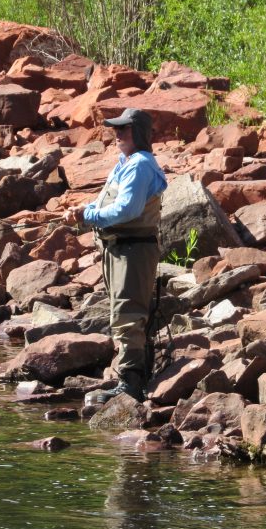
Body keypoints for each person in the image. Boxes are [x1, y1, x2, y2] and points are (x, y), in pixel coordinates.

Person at [63, 108, 168, 405]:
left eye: (124, 129)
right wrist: (84, 209)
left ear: (140, 133)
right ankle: (137, 374)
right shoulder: (126, 163)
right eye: (116, 129)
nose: (117, 133)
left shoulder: (141, 166)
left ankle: (131, 384)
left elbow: (127, 210)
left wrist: (88, 216)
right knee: (123, 312)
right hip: (120, 249)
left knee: (127, 315)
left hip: (133, 251)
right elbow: (107, 202)